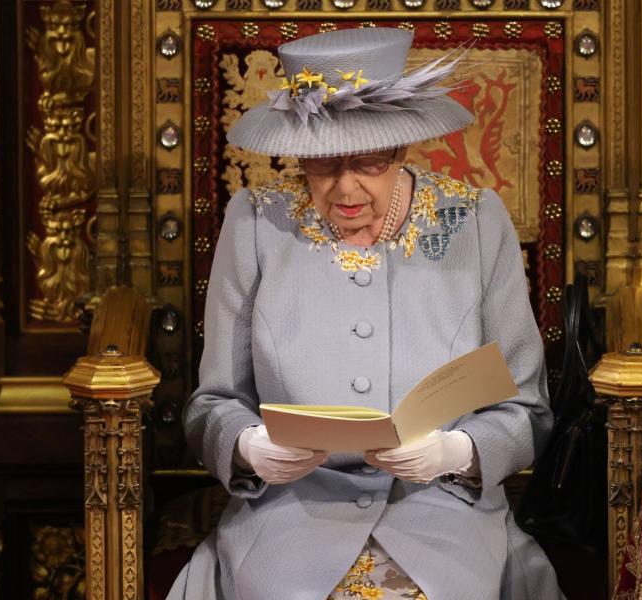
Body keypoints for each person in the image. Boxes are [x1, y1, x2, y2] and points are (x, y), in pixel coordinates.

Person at [167, 26, 564, 600]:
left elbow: (527, 410)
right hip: (290, 513)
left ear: (401, 148)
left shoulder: (474, 221)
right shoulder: (256, 222)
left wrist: (456, 453)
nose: (345, 188)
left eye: (368, 163)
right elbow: (211, 405)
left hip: (443, 510)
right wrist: (249, 447)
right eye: (323, 165)